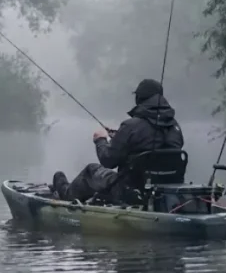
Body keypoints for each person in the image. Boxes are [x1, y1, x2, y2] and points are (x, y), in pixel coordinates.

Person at [51, 78, 184, 203]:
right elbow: (151, 144)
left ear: (139, 98)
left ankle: (65, 193)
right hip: (164, 191)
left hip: (128, 190)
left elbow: (108, 160)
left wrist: (101, 139)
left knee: (91, 170)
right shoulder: (175, 127)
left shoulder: (131, 126)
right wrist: (119, 136)